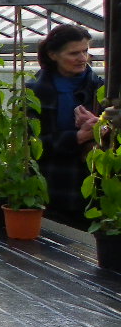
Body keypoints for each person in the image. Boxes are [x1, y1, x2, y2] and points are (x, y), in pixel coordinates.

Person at [27, 24, 106, 228]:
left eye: (85, 51)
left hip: (95, 187)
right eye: (74, 53)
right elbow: (29, 145)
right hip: (52, 186)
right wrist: (78, 137)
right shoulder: (34, 93)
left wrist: (101, 127)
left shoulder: (101, 89)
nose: (83, 58)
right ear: (53, 55)